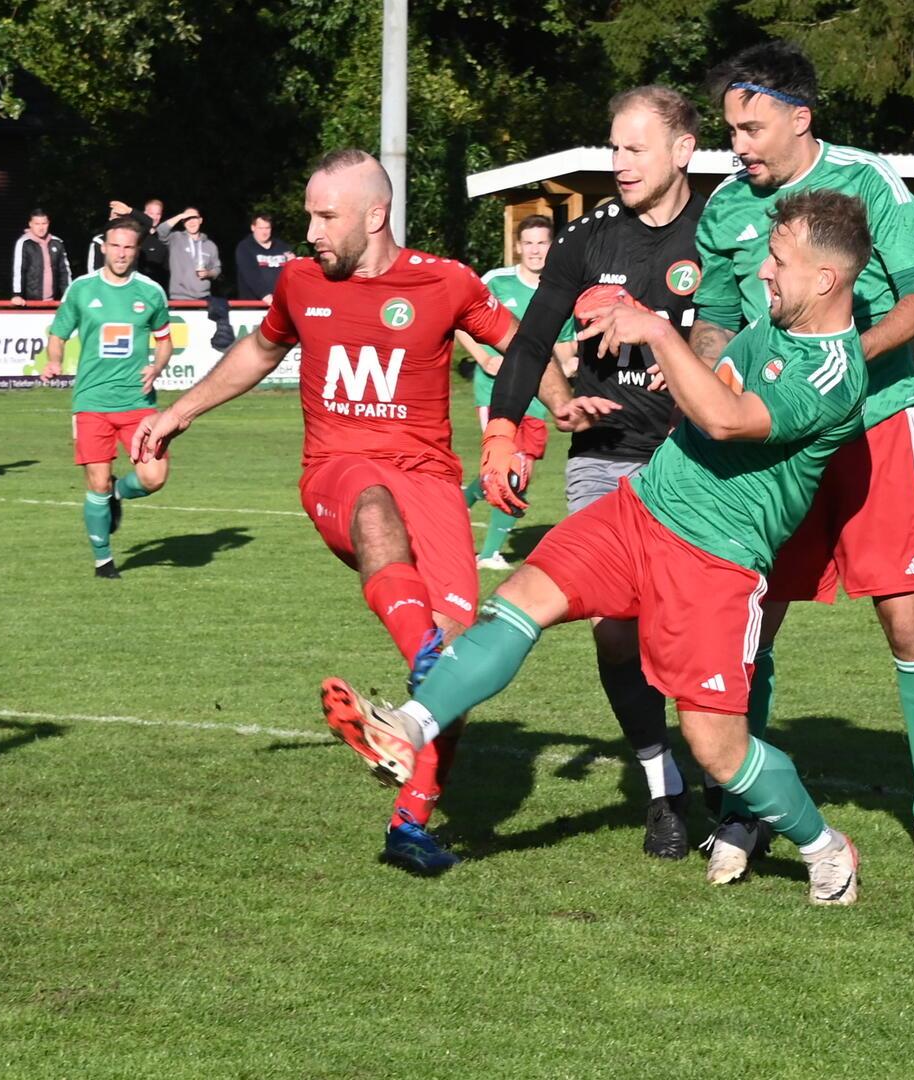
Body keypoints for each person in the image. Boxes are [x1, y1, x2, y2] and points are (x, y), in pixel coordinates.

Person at [331, 190, 875, 905]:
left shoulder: (836, 371)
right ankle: (410, 726)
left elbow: (727, 418)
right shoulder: (774, 321)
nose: (765, 273)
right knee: (518, 601)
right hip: (639, 511)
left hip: (714, 562)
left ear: (826, 280)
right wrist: (667, 373)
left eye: (779, 261)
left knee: (718, 749)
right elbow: (712, 387)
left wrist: (658, 333)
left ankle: (824, 845)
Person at [130, 149, 519, 873]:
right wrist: (180, 411)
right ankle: (427, 663)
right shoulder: (302, 282)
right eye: (309, 213)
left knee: (459, 670)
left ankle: (411, 823)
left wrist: (538, 416)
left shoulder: (445, 281)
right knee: (375, 512)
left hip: (431, 480)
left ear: (375, 216)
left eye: (323, 215)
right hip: (337, 472)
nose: (308, 230)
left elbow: (520, 348)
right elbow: (258, 349)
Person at [686, 41, 914, 885]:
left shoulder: (871, 185)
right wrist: (705, 385)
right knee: (751, 616)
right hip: (776, 438)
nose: (740, 145)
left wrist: (843, 361)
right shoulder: (726, 208)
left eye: (753, 127)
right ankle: (748, 807)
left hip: (873, 420)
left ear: (801, 119)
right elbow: (715, 323)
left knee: (905, 613)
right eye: (732, 130)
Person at [476, 86, 708, 861]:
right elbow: (532, 338)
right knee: (616, 629)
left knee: (701, 629)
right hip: (606, 459)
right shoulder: (588, 237)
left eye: (637, 148)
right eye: (615, 148)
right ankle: (663, 789)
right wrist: (507, 429)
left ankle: (736, 780)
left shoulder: (725, 229)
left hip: (705, 461)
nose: (622, 164)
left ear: (682, 150)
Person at [40, 219, 173, 577]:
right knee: (97, 483)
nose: (121, 253)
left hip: (138, 403)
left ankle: (119, 494)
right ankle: (103, 560)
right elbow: (58, 333)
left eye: (128, 247)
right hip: (92, 402)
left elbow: (165, 341)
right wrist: (54, 360)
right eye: (115, 246)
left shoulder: (150, 292)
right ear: (104, 247)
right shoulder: (82, 289)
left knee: (154, 476)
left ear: (137, 250)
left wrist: (157, 367)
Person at [455, 214, 564, 573]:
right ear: (518, 246)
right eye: (529, 243)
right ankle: (488, 554)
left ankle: (452, 508)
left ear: (552, 246)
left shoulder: (560, 290)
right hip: (497, 394)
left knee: (514, 470)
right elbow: (461, 320)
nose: (535, 250)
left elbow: (564, 347)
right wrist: (485, 357)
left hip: (538, 397)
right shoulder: (497, 283)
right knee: (513, 467)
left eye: (542, 243)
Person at [157, 207, 233, 349]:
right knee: (180, 344)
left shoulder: (210, 245)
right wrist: (180, 215)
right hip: (179, 299)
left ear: (201, 220)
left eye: (194, 218)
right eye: (187, 219)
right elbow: (161, 231)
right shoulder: (176, 238)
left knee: (200, 343)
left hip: (203, 300)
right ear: (183, 222)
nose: (191, 222)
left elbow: (217, 269)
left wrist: (208, 274)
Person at [11, 209, 71, 306]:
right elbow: (19, 270)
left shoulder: (57, 243)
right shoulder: (24, 243)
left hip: (53, 302)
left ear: (48, 223)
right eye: (37, 224)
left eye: (44, 223)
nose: (41, 228)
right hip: (29, 303)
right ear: (30, 224)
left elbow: (64, 272)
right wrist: (17, 294)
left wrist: (68, 295)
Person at [234, 214, 295, 303]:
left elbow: (291, 273)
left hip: (281, 301)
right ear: (253, 228)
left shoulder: (282, 247)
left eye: (267, 228)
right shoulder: (245, 247)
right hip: (254, 305)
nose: (264, 232)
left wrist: (293, 263)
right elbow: (251, 274)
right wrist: (266, 296)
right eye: (261, 228)